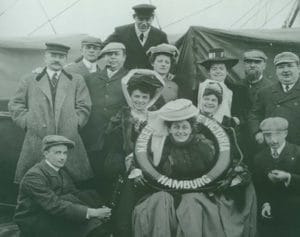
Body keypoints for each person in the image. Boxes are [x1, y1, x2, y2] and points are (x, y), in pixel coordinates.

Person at [132, 99, 257, 237]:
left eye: (184, 127)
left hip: (201, 192)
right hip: (168, 191)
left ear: (191, 128)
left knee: (191, 203)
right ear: (169, 129)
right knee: (159, 203)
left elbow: (220, 167)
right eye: (176, 127)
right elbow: (148, 168)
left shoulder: (204, 145)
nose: (181, 131)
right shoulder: (161, 147)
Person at [8, 43, 93, 184]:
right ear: (45, 57)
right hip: (37, 139)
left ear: (65, 60)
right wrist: (28, 122)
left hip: (68, 138)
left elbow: (85, 105)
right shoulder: (30, 79)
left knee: (70, 184)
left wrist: (74, 124)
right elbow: (15, 104)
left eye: (61, 56)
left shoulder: (76, 80)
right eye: (53, 55)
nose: (57, 59)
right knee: (36, 181)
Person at [103, 69, 164, 237]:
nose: (140, 101)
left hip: (149, 165)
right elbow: (113, 145)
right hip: (123, 165)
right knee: (126, 200)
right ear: (130, 96)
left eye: (144, 97)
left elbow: (157, 146)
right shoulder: (122, 116)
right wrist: (128, 161)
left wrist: (144, 163)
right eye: (137, 96)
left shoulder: (154, 118)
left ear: (150, 99)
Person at [14, 135, 111, 237]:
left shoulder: (61, 171)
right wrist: (92, 212)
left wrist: (97, 206)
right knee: (91, 227)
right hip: (35, 220)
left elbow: (73, 194)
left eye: (65, 153)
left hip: (52, 214)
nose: (62, 157)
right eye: (57, 153)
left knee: (96, 225)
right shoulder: (34, 176)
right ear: (46, 154)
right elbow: (54, 205)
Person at [81, 42, 128, 184]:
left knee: (113, 175)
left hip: (117, 139)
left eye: (116, 54)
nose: (112, 58)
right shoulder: (90, 78)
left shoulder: (130, 78)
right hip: (92, 137)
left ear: (124, 57)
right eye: (109, 54)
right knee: (92, 175)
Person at [253, 117, 300, 237]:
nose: (273, 140)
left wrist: (288, 177)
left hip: (296, 211)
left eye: (278, 134)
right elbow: (259, 187)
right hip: (271, 213)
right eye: (268, 136)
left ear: (285, 134)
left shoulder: (297, 152)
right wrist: (265, 203)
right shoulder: (259, 158)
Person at [248, 52, 300, 146]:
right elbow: (254, 115)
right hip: (272, 145)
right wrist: (257, 132)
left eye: (289, 66)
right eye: (281, 67)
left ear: (298, 68)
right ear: (275, 71)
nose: (285, 70)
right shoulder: (265, 92)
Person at [104, 4, 168, 69]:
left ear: (153, 18)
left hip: (150, 75)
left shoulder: (161, 36)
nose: (144, 23)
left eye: (147, 19)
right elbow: (104, 47)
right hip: (126, 75)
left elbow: (168, 57)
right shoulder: (121, 32)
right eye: (141, 19)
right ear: (134, 17)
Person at [197, 48, 239, 123]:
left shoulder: (232, 90)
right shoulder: (200, 87)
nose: (218, 71)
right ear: (209, 72)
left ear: (227, 72)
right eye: (214, 69)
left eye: (221, 68)